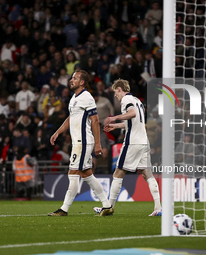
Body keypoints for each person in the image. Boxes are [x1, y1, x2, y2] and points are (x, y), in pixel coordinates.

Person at [48, 70, 113, 217]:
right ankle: (107, 206)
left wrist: (98, 143)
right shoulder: (74, 98)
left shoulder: (87, 97)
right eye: (72, 78)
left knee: (73, 172)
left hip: (83, 142)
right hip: (79, 142)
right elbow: (71, 118)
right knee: (87, 175)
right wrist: (58, 132)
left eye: (75, 78)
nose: (71, 80)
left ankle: (64, 209)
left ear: (82, 82)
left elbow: (95, 120)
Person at [94, 79, 162, 216]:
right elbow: (133, 122)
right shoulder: (138, 101)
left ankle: (108, 207)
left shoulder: (126, 100)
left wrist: (114, 118)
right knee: (147, 174)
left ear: (120, 89)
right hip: (143, 141)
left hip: (132, 142)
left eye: (115, 92)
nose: (115, 96)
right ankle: (158, 208)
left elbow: (132, 114)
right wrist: (116, 126)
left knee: (118, 172)